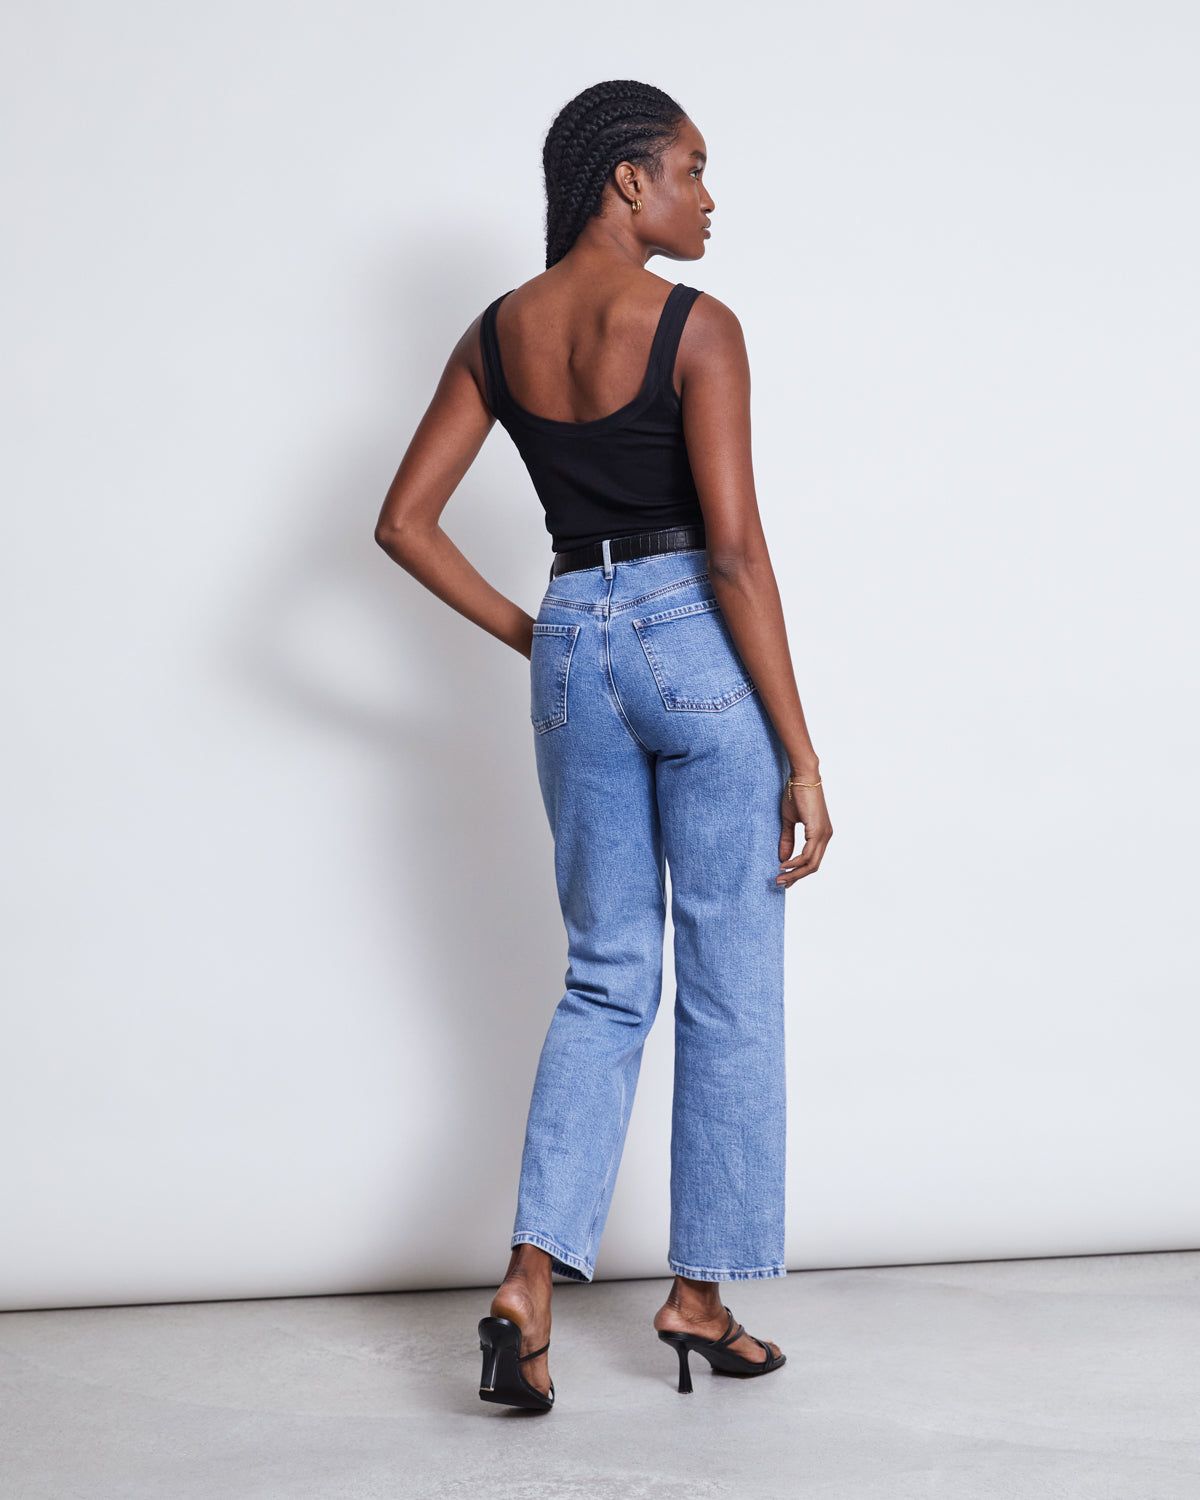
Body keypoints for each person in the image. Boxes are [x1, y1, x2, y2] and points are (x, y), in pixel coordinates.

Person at [374, 78, 832, 1410]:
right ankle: (698, 1296)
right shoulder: (696, 326)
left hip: (575, 632)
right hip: (693, 637)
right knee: (729, 981)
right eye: (691, 169)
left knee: (605, 977)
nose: (707, 196)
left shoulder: (498, 334)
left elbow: (404, 522)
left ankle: (527, 1284)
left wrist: (544, 637)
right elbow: (736, 551)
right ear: (627, 181)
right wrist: (802, 753)